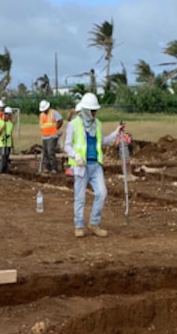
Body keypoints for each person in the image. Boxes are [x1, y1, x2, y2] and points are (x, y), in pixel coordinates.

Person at [64, 93, 124, 238]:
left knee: (102, 193)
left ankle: (94, 223)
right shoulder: (74, 125)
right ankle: (79, 226)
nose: (94, 113)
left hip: (95, 165)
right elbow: (67, 146)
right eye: (92, 111)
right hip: (81, 166)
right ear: (85, 110)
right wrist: (75, 155)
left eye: (95, 110)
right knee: (80, 197)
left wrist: (116, 132)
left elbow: (102, 141)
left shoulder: (97, 123)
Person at [38, 99, 63, 173]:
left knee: (50, 152)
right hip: (45, 136)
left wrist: (56, 129)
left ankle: (54, 168)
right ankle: (47, 167)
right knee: (45, 153)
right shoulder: (41, 115)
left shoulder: (53, 113)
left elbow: (60, 121)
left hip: (52, 136)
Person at [0, 107, 14, 174]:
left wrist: (12, 144)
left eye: (10, 115)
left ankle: (5, 171)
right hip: (2, 143)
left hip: (8, 144)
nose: (9, 116)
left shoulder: (10, 124)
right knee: (3, 158)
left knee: (6, 158)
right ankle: (0, 172)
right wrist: (2, 128)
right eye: (8, 115)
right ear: (5, 114)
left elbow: (11, 134)